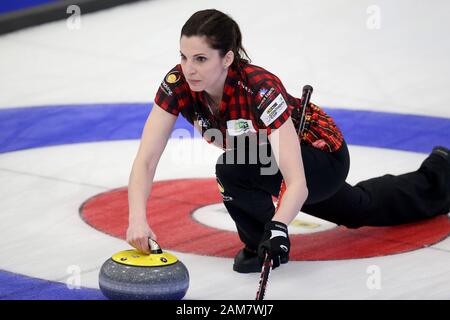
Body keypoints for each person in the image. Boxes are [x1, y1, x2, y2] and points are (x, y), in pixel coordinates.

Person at [126, 9, 450, 273]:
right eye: (183, 56)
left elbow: (296, 180)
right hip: (265, 163)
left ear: (226, 59)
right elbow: (147, 159)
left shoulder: (260, 88)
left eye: (200, 59)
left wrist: (278, 226)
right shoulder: (178, 84)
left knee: (233, 166)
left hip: (320, 156)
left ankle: (257, 245)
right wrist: (137, 218)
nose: (188, 68)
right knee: (357, 209)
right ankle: (440, 175)